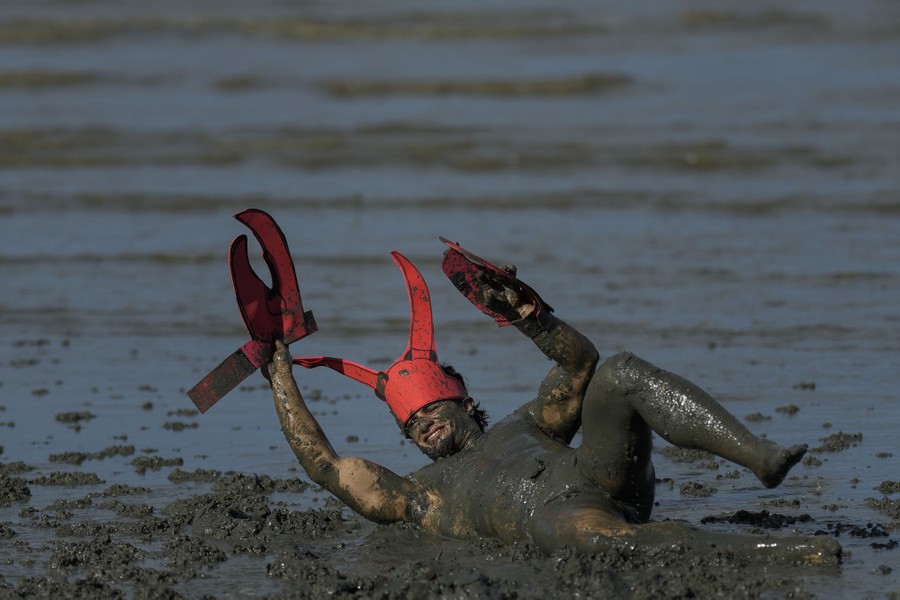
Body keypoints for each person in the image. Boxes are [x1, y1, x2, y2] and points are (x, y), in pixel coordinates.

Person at [265, 242, 841, 563]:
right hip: (559, 518)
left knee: (618, 372)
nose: (423, 424)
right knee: (597, 537)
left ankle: (758, 456)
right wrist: (279, 372)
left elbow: (580, 365)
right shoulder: (419, 495)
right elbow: (325, 466)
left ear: (462, 400)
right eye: (411, 424)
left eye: (431, 409)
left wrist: (528, 316)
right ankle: (782, 551)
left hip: (601, 474)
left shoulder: (526, 423)